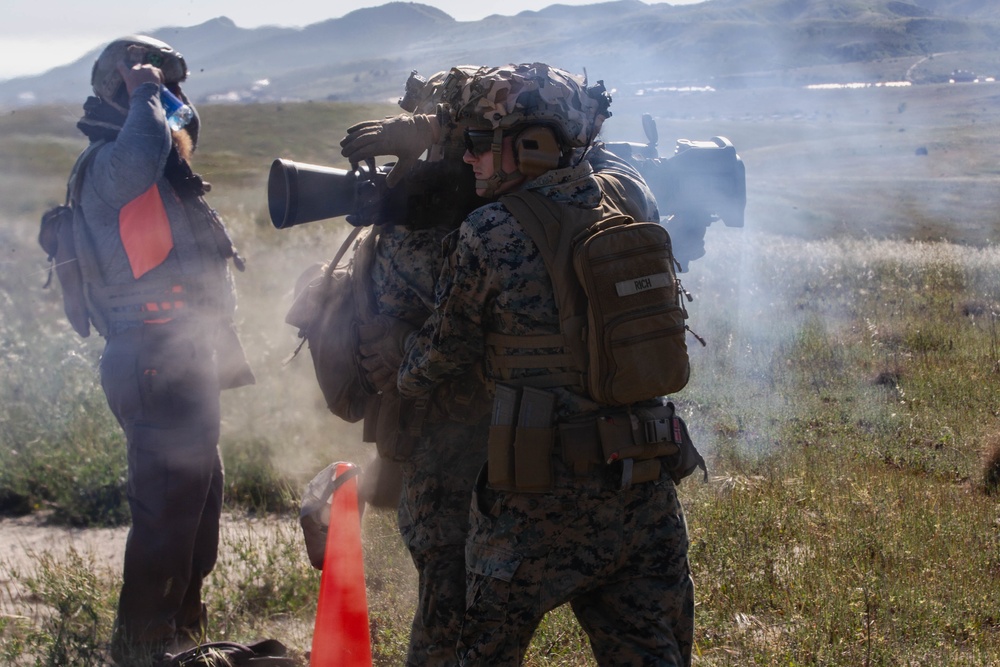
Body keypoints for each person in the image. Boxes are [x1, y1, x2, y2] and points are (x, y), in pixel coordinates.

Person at [393, 63, 695, 666]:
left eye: (481, 144)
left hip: (534, 507)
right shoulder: (631, 196)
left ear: (530, 147)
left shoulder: (489, 230)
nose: (468, 159)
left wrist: (399, 356)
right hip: (643, 485)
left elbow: (432, 362)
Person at [73, 35, 254, 664]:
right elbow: (145, 148)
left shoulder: (165, 168)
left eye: (177, 89)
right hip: (152, 361)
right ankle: (142, 647)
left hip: (180, 360)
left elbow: (178, 130)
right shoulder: (110, 165)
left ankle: (179, 638)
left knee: (197, 508)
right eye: (162, 91)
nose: (176, 101)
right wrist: (143, 87)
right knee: (168, 515)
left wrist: (160, 96)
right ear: (121, 96)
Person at [336, 67, 492, 667]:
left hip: (443, 429)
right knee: (450, 581)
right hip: (448, 427)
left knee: (446, 580)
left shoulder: (428, 215)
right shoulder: (441, 223)